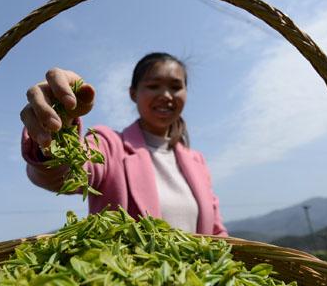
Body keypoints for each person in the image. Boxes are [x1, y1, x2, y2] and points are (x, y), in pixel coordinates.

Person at [20, 52, 228, 236]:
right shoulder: (110, 146)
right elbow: (64, 174)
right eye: (153, 86)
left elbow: (216, 232)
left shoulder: (196, 161)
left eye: (175, 87)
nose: (166, 95)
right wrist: (55, 130)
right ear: (133, 93)